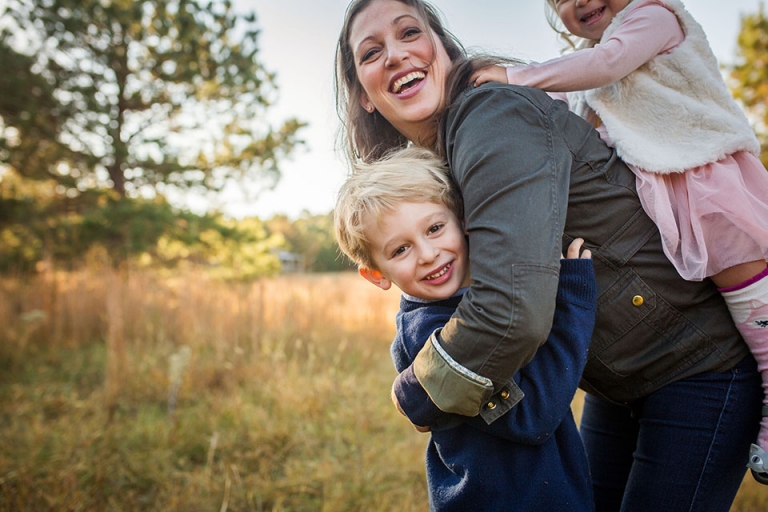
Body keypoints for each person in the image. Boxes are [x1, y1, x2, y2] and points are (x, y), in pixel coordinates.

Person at [334, 0, 763, 510]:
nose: (395, 55)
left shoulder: (490, 117)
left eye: (409, 33)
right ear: (363, 95)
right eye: (371, 53)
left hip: (696, 366)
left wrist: (420, 389)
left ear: (443, 48)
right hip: (619, 380)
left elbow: (511, 308)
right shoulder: (439, 160)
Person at [471, 0, 768, 477]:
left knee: (750, 299)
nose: (579, 1)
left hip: (703, 178)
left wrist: (515, 76)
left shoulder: (652, 17)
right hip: (660, 190)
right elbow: (578, 121)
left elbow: (608, 63)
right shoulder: (590, 70)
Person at [334, 145, 597, 511]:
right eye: (400, 250)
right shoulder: (431, 334)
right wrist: (574, 302)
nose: (428, 254)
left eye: (435, 228)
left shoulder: (479, 295)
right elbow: (532, 416)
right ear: (377, 274)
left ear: (463, 220)